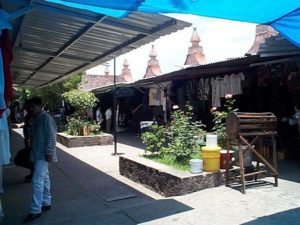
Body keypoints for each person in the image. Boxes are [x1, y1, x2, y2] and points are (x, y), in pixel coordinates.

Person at [22, 97, 57, 223]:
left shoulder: (46, 118)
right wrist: (31, 125)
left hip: (43, 154)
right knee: (44, 178)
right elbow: (31, 135)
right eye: (30, 107)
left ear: (40, 106)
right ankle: (46, 202)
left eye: (33, 106)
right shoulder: (37, 118)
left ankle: (35, 210)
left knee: (37, 180)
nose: (31, 109)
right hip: (38, 153)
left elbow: (52, 136)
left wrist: (49, 152)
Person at [14, 100, 34, 183]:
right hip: (28, 141)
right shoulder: (29, 114)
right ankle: (34, 172)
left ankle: (34, 172)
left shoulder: (32, 115)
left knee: (20, 159)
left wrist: (29, 142)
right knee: (22, 158)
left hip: (31, 142)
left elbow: (31, 129)